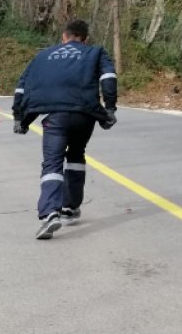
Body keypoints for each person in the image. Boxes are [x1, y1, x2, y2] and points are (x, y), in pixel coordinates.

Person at [12, 20, 118, 240]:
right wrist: (109, 109)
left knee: (52, 162)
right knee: (76, 154)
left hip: (56, 117)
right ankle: (70, 207)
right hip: (84, 116)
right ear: (85, 38)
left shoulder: (43, 56)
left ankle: (50, 213)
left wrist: (20, 118)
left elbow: (23, 85)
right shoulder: (95, 52)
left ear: (64, 36)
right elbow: (108, 78)